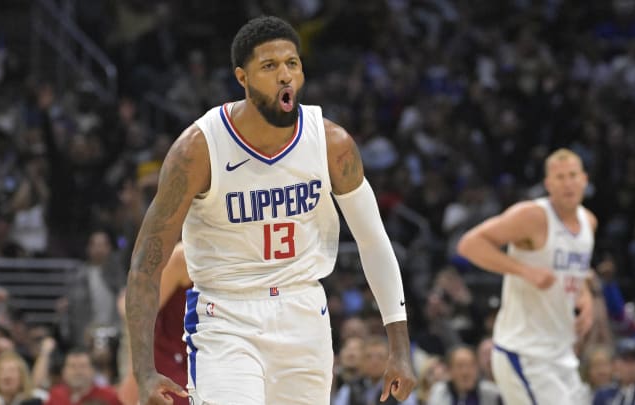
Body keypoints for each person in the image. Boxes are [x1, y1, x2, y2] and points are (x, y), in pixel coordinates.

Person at [125, 15, 416, 405]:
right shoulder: (198, 149)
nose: (285, 76)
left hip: (304, 311)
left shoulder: (332, 144)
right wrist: (142, 370)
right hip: (226, 315)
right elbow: (146, 262)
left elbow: (374, 241)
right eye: (269, 66)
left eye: (292, 64)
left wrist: (399, 345)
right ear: (242, 78)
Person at [456, 148, 596, 404]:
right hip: (524, 352)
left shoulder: (589, 222)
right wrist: (524, 270)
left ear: (584, 179)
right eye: (560, 177)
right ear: (548, 184)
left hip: (562, 353)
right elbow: (469, 245)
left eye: (573, 175)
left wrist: (585, 295)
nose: (568, 183)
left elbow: (576, 269)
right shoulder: (533, 216)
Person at [118, 242, 192, 405]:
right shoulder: (182, 257)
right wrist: (136, 372)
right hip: (170, 364)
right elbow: (132, 309)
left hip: (210, 360)